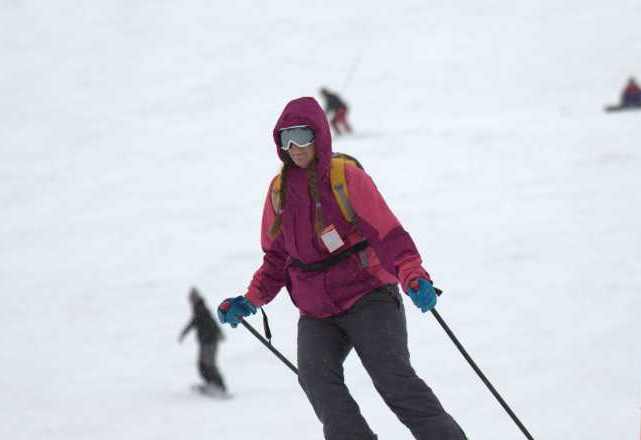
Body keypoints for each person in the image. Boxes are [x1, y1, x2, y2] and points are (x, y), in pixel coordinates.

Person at [216, 97, 466, 440]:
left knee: (392, 378)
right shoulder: (279, 192)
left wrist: (412, 276)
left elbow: (389, 235)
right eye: (286, 138)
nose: (294, 147)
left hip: (368, 296)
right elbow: (276, 258)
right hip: (317, 311)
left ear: (319, 135)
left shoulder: (345, 178)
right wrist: (250, 300)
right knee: (315, 379)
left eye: (302, 136)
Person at [178, 288, 226, 395]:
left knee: (208, 365)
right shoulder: (198, 308)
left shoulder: (201, 309)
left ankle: (220, 387)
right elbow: (195, 322)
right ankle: (212, 384)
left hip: (210, 341)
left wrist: (218, 333)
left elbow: (208, 322)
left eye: (190, 298)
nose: (189, 300)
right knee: (203, 365)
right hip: (206, 342)